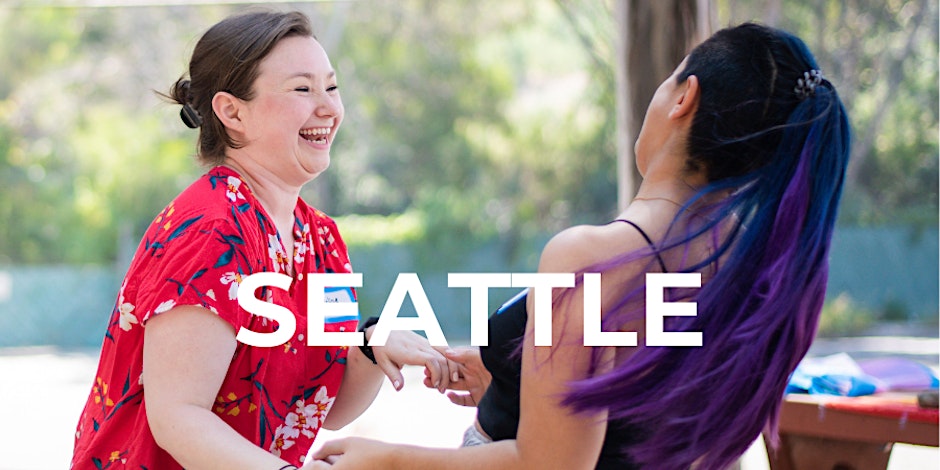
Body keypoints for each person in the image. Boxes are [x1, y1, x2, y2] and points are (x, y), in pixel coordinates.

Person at [310, 22, 851, 470]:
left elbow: (553, 464)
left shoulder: (596, 260)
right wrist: (521, 379)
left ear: (685, 97)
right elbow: (638, 410)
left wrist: (388, 460)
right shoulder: (754, 268)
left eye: (670, 80)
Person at [70, 9, 456, 470]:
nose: (329, 108)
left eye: (331, 87)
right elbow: (178, 416)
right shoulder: (209, 232)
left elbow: (325, 407)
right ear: (232, 111)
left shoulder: (323, 241)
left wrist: (372, 348)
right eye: (302, 89)